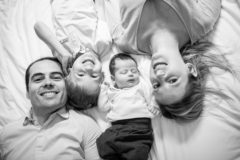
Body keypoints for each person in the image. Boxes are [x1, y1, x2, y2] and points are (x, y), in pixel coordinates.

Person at [102, 0, 234, 120]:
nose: (159, 75)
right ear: (190, 69)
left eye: (157, 85)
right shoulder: (201, 22)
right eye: (173, 80)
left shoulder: (125, 41)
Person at [0, 57, 102, 160]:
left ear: (66, 86)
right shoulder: (5, 134)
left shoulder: (87, 127)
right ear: (27, 92)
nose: (48, 83)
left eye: (56, 77)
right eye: (38, 79)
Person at [96, 53, 159, 160]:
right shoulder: (112, 91)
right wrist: (102, 90)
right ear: (113, 78)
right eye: (124, 72)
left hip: (139, 130)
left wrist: (154, 105)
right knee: (102, 142)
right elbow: (103, 108)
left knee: (138, 152)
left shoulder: (141, 86)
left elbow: (151, 95)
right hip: (116, 129)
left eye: (134, 71)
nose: (130, 74)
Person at [34, 22, 104, 110]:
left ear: (68, 74)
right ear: (102, 76)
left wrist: (62, 51)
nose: (89, 68)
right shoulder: (103, 50)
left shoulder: (64, 56)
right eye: (94, 76)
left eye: (80, 74)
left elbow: (38, 26)